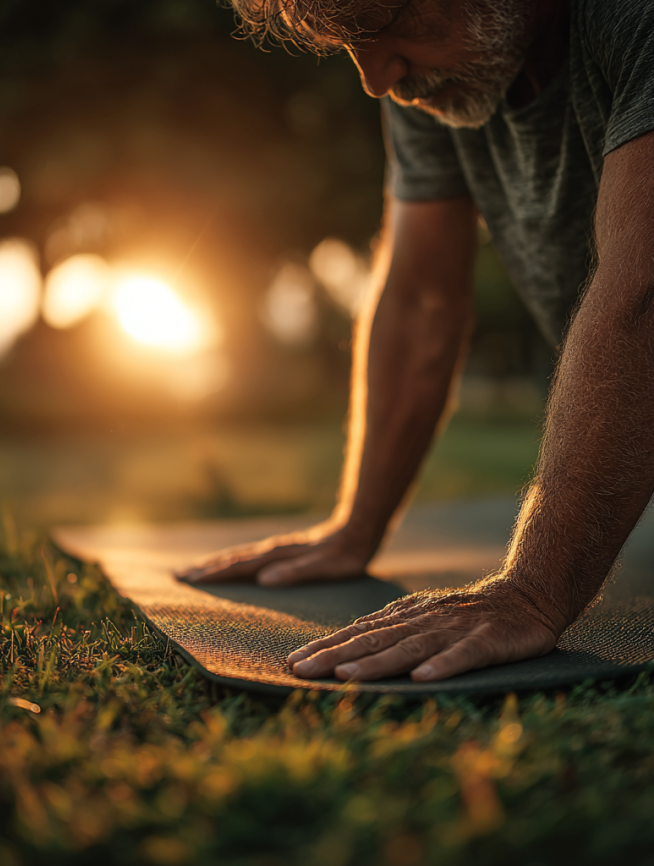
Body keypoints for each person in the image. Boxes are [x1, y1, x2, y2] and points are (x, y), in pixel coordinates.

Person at [175, 0, 654, 683]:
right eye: (347, 43)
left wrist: (533, 592)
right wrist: (355, 528)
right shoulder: (430, 74)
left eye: (385, 23)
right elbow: (422, 298)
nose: (374, 76)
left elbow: (645, 290)